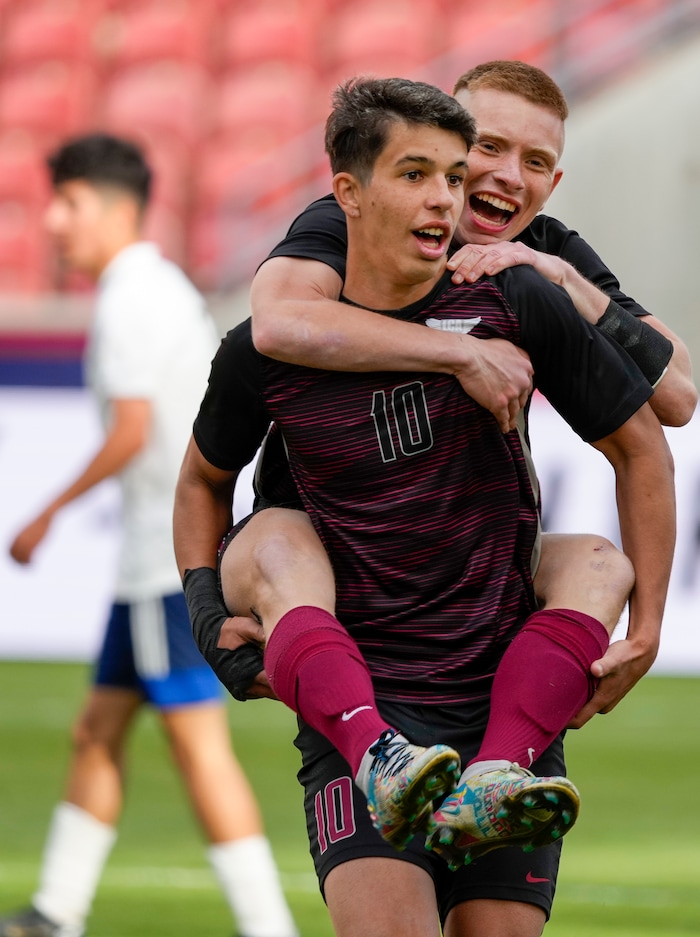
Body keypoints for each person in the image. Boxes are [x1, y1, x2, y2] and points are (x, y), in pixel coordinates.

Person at [174, 77, 675, 937]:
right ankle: (378, 754)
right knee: (273, 536)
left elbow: (660, 423)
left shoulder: (522, 286)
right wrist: (203, 606)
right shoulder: (290, 305)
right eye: (422, 173)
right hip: (362, 678)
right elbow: (207, 467)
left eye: (453, 174)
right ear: (350, 195)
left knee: (599, 561)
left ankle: (496, 772)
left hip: (495, 690)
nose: (452, 194)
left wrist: (649, 628)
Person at [0, 134, 298, 937]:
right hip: (155, 562)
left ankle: (270, 928)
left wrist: (46, 511)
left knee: (199, 749)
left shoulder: (132, 297)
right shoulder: (157, 286)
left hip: (163, 564)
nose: (55, 223)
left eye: (67, 203)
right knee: (96, 727)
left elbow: (132, 430)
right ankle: (56, 910)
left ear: (109, 205)